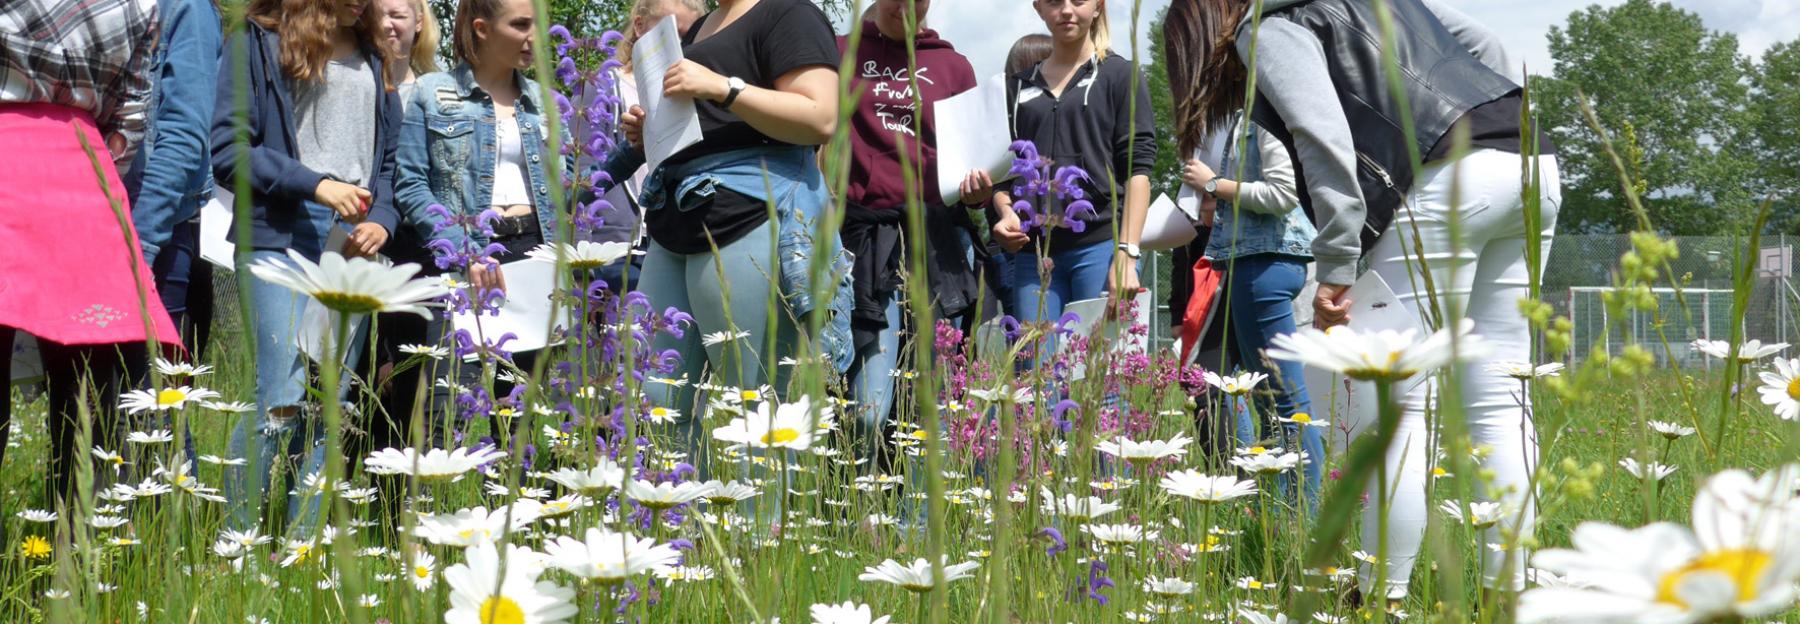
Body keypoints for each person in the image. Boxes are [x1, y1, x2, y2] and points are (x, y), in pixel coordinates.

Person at [1162, 0, 1561, 604]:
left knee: (1391, 407)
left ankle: (1382, 599)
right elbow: (1489, 48)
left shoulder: (1266, 25)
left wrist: (1338, 263)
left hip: (1444, 174)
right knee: (1501, 395)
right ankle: (1510, 597)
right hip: (1527, 157)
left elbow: (1318, 132)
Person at [616, 0, 852, 480]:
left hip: (750, 212)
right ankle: (677, 533)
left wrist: (722, 88)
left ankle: (758, 541)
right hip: (675, 219)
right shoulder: (703, 26)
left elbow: (820, 115)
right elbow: (710, 123)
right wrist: (654, 130)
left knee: (752, 398)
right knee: (658, 397)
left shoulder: (789, 13)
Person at [211, 0, 403, 532]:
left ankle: (302, 549)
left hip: (354, 244)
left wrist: (383, 220)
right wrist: (316, 184)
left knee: (331, 403)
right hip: (278, 236)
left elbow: (387, 163)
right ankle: (239, 544)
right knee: (282, 393)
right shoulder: (254, 42)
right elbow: (230, 151)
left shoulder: (376, 56)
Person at [1, 0, 178, 505]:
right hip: (85, 172)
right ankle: (77, 562)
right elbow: (133, 116)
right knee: (89, 386)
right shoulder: (142, 4)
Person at [392, 0, 570, 449]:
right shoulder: (434, 92)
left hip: (535, 257)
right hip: (461, 259)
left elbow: (570, 190)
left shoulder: (542, 101)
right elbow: (410, 185)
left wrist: (629, 149)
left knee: (527, 415)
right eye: (521, 25)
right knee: (444, 401)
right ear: (482, 29)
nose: (535, 36)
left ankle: (521, 513)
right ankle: (425, 512)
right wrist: (464, 250)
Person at [836, 0, 988, 466]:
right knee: (866, 408)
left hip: (937, 242)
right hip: (863, 241)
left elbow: (976, 162)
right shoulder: (838, 53)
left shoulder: (953, 66)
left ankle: (919, 528)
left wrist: (979, 193)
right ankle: (855, 507)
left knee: (932, 402)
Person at [1174, 112, 1323, 508]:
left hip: (1265, 261)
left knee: (1284, 401)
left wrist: (1212, 183)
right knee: (1269, 400)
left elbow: (1282, 193)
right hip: (1248, 261)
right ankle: (1280, 515)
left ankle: (1301, 520)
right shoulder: (1235, 120)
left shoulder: (1260, 117)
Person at [992, 0, 1155, 340]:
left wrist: (1126, 254)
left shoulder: (1121, 75)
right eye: (1054, 2)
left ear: (1098, 7)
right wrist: (1005, 212)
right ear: (1038, 8)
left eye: (1078, 1)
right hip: (1032, 258)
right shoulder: (1017, 88)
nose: (1066, 10)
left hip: (1099, 249)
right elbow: (1002, 176)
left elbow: (1138, 170)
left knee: (1101, 383)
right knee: (1039, 381)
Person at [123, 0, 224, 361]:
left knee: (146, 403)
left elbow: (184, 132)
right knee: (85, 398)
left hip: (156, 232)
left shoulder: (186, 8)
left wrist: (141, 244)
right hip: (95, 230)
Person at [590, 0, 705, 293]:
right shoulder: (605, 86)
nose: (680, 44)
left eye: (689, 35)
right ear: (639, 26)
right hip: (614, 244)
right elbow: (583, 175)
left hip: (669, 237)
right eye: (671, 31)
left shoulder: (694, 92)